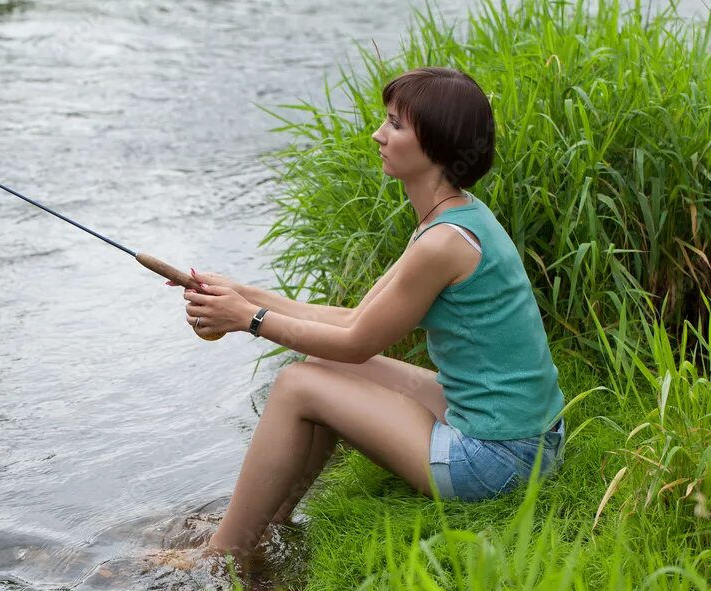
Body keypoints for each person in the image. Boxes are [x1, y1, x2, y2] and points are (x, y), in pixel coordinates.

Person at [177, 67, 567, 563]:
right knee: (320, 370)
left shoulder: (443, 242)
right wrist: (241, 292)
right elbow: (354, 318)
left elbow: (357, 342)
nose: (378, 134)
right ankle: (268, 519)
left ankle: (223, 552)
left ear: (438, 145)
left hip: (501, 459)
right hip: (522, 435)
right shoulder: (453, 216)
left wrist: (247, 319)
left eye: (395, 125)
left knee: (298, 386)